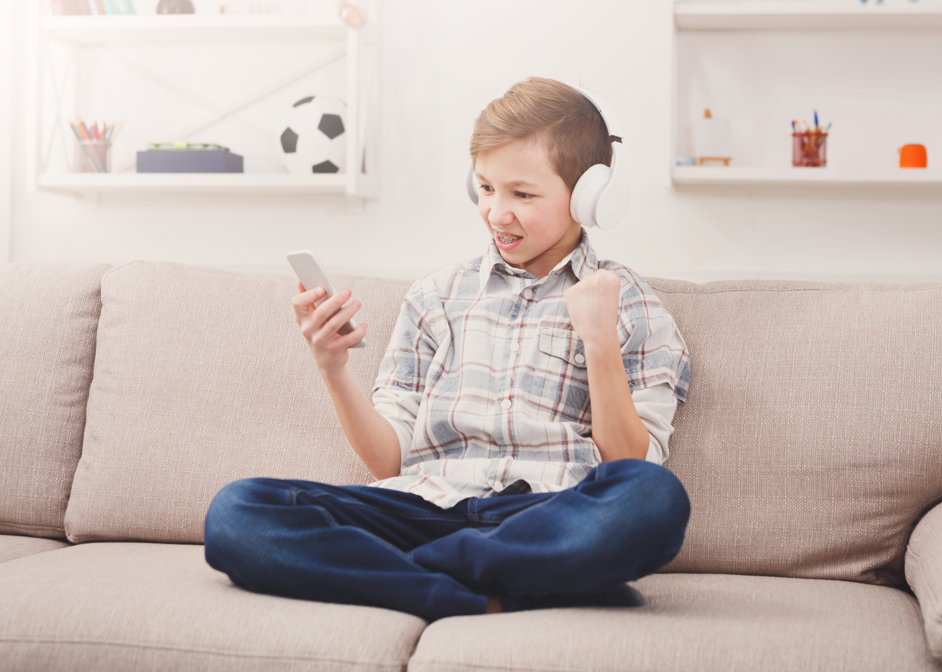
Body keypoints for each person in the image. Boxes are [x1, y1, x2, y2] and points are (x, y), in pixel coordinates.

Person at [204, 77, 692, 622]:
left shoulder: (634, 308)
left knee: (655, 500)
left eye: (522, 195)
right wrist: (334, 366)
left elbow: (628, 467)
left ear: (588, 195)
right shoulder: (435, 297)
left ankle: (412, 572)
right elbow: (388, 460)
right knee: (237, 513)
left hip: (547, 514)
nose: (496, 213)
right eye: (485, 188)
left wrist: (600, 341)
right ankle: (498, 592)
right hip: (420, 506)